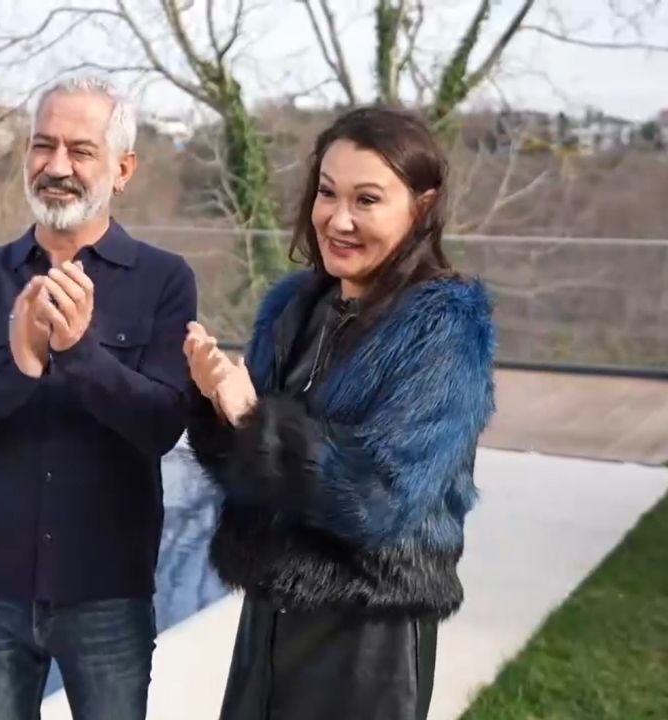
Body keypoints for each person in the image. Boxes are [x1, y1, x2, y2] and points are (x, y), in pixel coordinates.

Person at [182, 106, 496, 720]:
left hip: (368, 635)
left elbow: (381, 498)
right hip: (271, 613)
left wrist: (255, 418)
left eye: (367, 199)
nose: (338, 218)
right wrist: (219, 407)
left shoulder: (443, 330)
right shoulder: (294, 310)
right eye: (327, 193)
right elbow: (252, 474)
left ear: (423, 206)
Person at [0, 76, 198, 720]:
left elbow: (161, 426)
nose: (57, 166)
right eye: (43, 145)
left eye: (81, 150)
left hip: (108, 592)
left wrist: (80, 354)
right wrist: (19, 367)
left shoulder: (164, 280)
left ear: (122, 170)